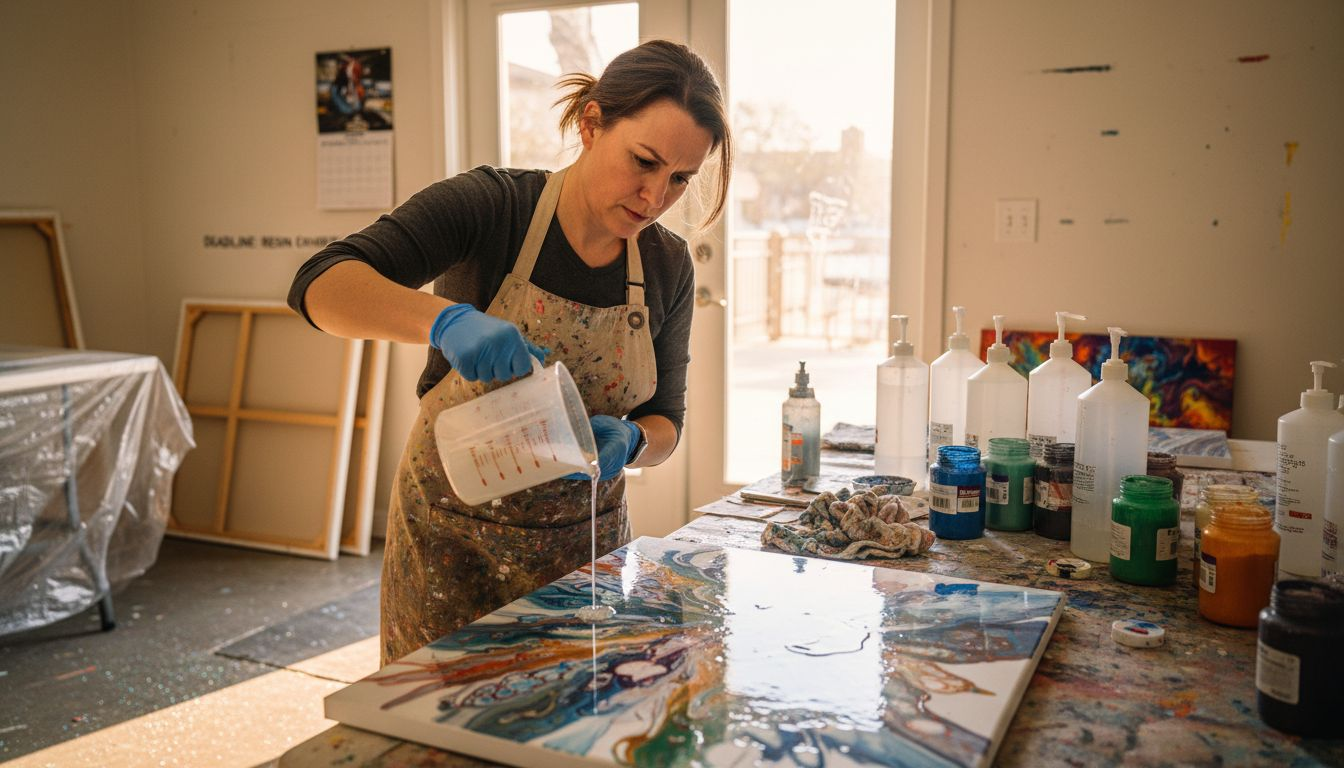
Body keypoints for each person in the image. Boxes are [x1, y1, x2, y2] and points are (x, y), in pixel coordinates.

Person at [288, 39, 732, 664]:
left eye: (680, 178)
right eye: (643, 161)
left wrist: (633, 441)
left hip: (584, 553)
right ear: (591, 123)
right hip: (450, 544)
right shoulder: (493, 208)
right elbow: (319, 283)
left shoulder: (665, 264)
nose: (655, 196)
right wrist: (445, 321)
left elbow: (667, 422)